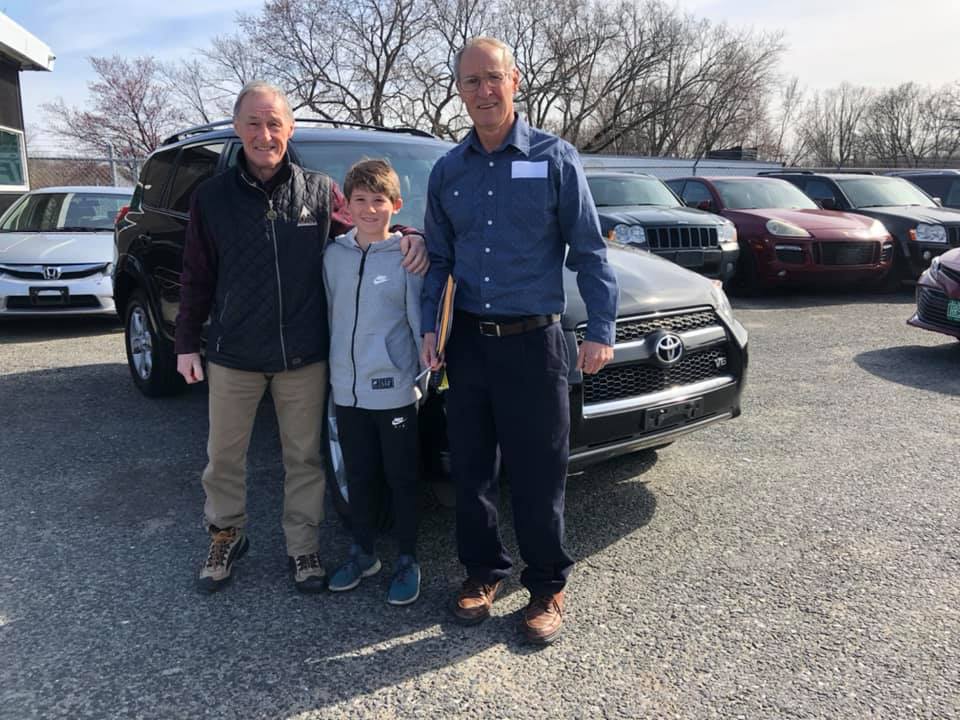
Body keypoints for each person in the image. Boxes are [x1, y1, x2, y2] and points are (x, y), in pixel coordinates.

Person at [175, 81, 427, 594]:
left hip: (304, 355)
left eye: (274, 124)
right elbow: (196, 275)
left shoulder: (320, 191)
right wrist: (185, 343)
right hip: (234, 353)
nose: (264, 134)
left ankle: (303, 547)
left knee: (304, 459)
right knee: (224, 456)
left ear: (289, 128)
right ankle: (226, 535)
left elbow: (365, 233)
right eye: (253, 123)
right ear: (237, 127)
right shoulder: (212, 198)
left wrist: (410, 235)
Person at [421, 37, 619, 644]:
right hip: (468, 344)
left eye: (493, 78)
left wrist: (601, 328)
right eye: (471, 81)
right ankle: (483, 573)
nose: (483, 91)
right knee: (472, 468)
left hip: (535, 344)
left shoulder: (555, 158)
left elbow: (589, 250)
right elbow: (438, 260)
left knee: (539, 473)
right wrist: (431, 328)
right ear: (459, 90)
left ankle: (547, 585)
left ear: (515, 81)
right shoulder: (448, 170)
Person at [323, 159, 423, 606]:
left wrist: (420, 377)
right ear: (346, 205)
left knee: (401, 477)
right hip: (346, 390)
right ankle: (363, 553)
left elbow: (419, 323)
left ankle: (408, 558)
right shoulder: (333, 256)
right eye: (359, 200)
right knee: (359, 475)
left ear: (395, 205)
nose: (368, 209)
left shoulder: (407, 257)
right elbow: (330, 313)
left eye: (378, 201)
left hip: (394, 390)